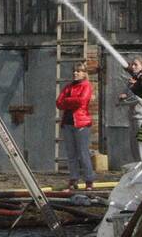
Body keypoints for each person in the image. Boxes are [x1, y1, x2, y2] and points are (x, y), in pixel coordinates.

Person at [55, 61, 95, 190]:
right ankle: (73, 179)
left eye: (78, 71)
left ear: (84, 73)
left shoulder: (86, 86)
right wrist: (71, 101)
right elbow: (59, 103)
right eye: (74, 71)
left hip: (81, 124)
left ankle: (89, 180)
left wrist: (67, 101)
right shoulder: (68, 87)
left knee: (83, 153)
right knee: (71, 153)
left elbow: (82, 101)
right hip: (67, 123)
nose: (75, 73)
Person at [117, 89, 142, 162]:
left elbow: (137, 99)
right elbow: (123, 95)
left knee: (141, 144)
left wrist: (124, 101)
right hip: (132, 117)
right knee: (134, 144)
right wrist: (123, 97)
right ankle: (137, 163)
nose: (130, 79)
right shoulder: (130, 86)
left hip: (141, 117)